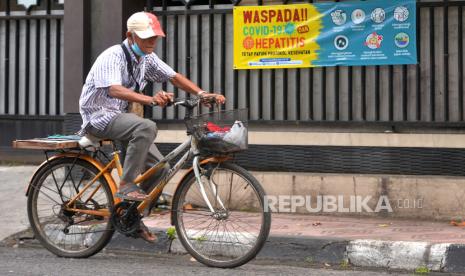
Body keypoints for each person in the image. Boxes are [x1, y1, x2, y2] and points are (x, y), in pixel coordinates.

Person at [78, 11, 225, 242]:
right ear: (130, 35)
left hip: (120, 118)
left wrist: (201, 93)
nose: (152, 42)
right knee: (146, 127)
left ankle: (131, 217)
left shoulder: (147, 58)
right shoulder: (113, 56)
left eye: (155, 37)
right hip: (98, 117)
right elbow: (114, 89)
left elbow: (174, 76)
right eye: (147, 37)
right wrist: (150, 99)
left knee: (161, 168)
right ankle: (126, 184)